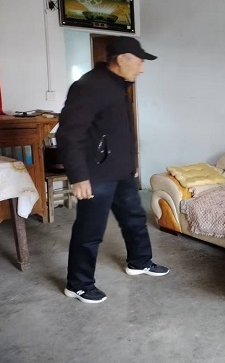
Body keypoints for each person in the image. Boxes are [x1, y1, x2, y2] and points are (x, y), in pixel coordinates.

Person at [57, 36, 169, 304]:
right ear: (122, 59)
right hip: (96, 175)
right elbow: (69, 134)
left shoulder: (119, 85)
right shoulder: (88, 86)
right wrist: (78, 176)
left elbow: (119, 132)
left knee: (134, 218)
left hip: (121, 171)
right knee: (90, 231)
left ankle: (139, 261)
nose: (142, 69)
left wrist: (131, 165)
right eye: (139, 62)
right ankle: (78, 284)